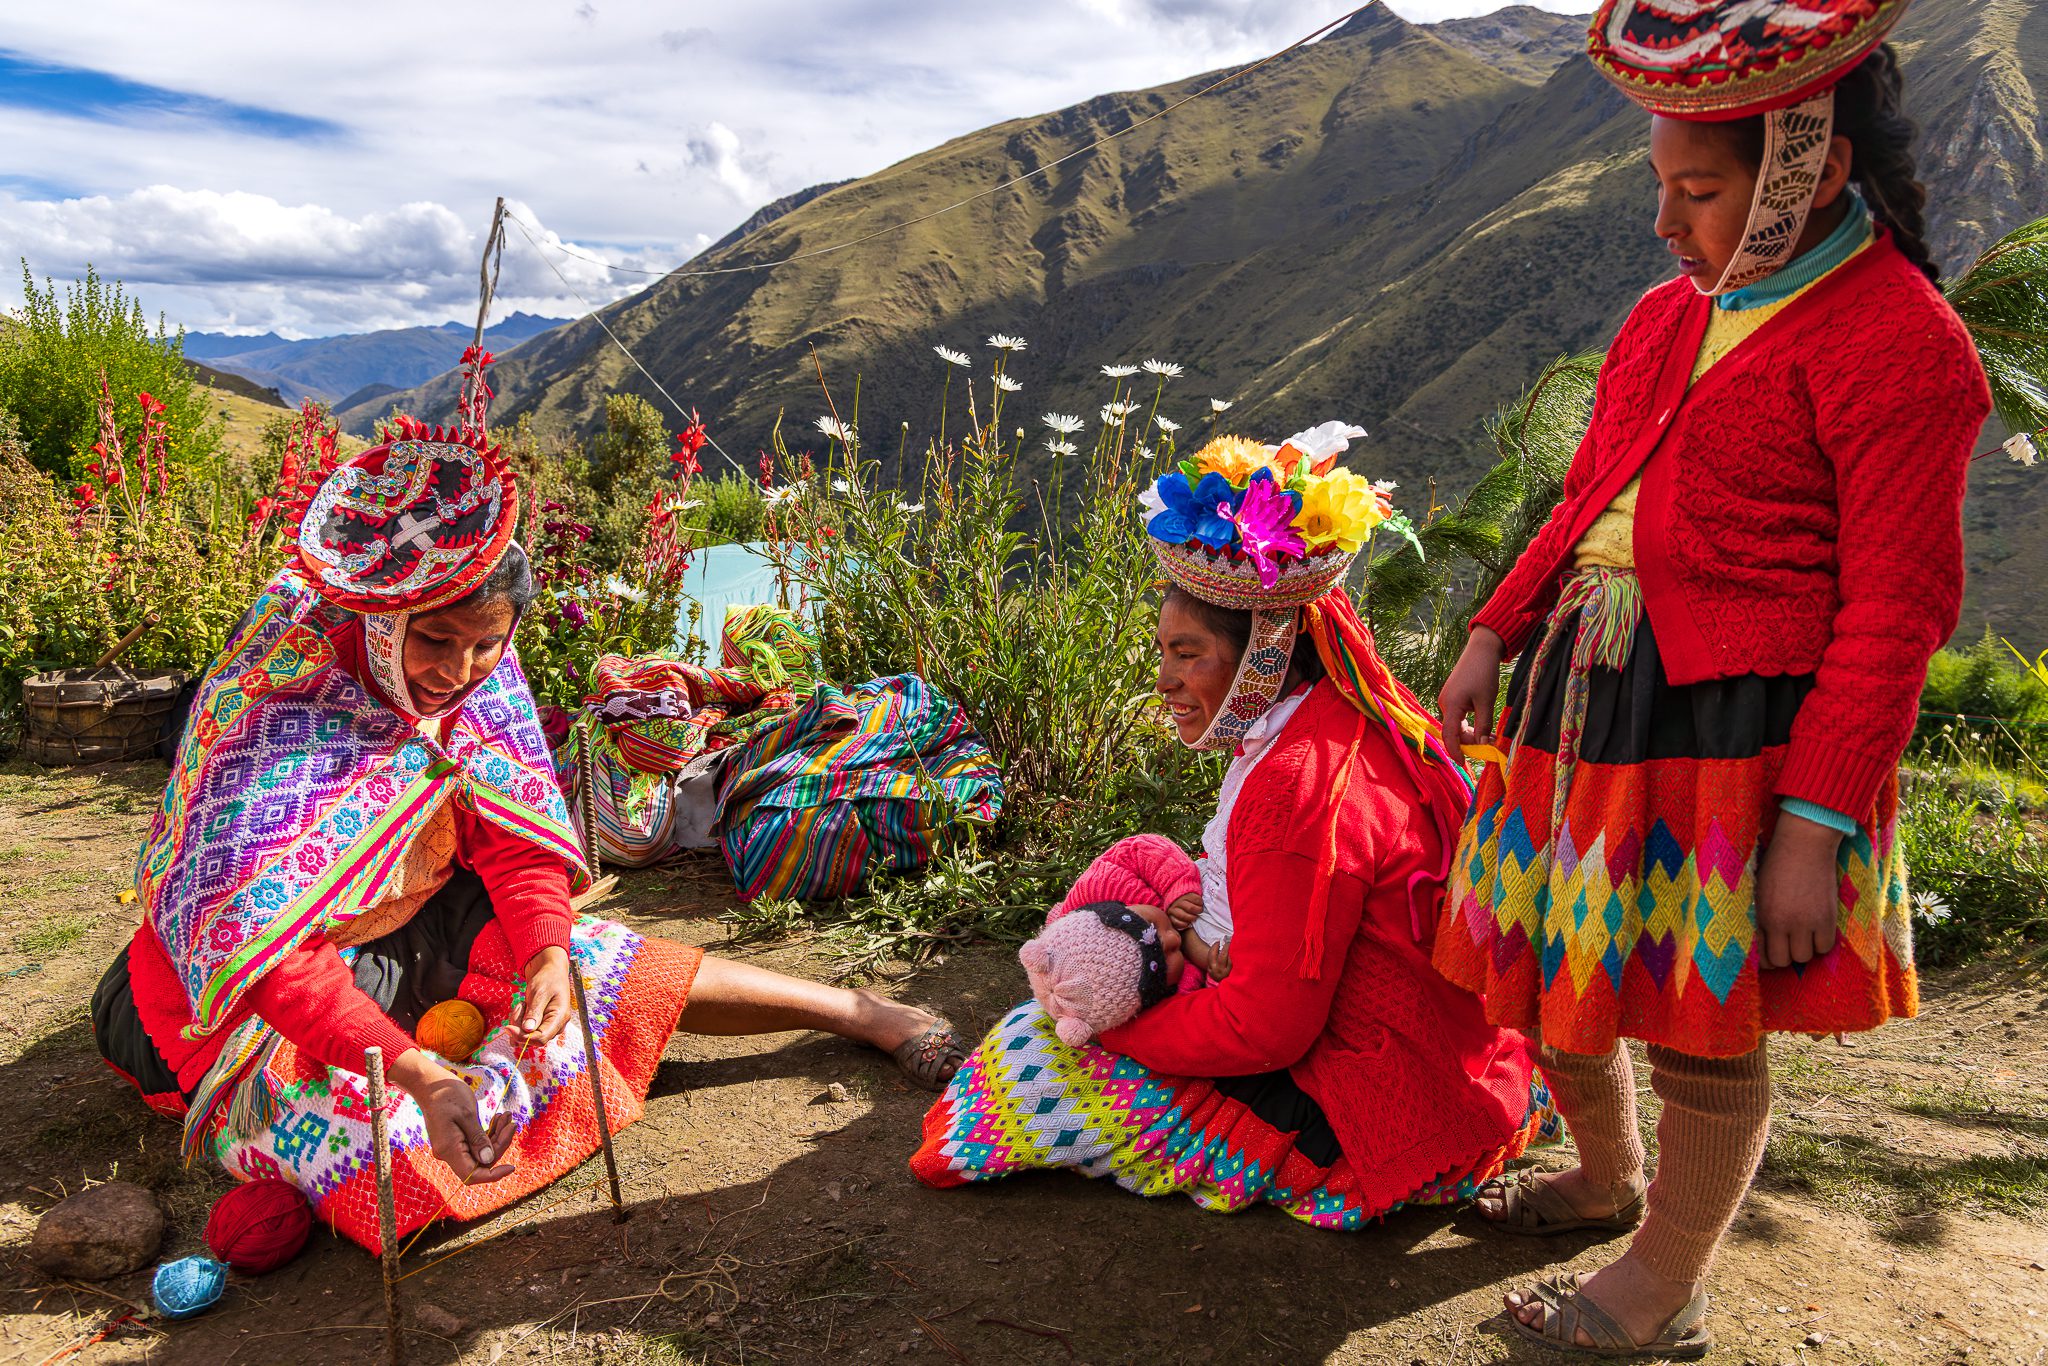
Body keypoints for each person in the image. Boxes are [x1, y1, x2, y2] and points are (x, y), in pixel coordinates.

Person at [1432, 2, 1990, 1356]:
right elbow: (1585, 496)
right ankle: (1606, 1174)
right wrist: (1496, 628)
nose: (1668, 227)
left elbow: (1896, 612)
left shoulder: (1902, 345)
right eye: (1660, 188)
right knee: (1550, 965)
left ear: (1812, 172)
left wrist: (1818, 823)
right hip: (1584, 694)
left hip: (1731, 725)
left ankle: (1665, 1278)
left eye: (1699, 192)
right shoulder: (1668, 317)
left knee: (1697, 1018)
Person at [92, 423, 963, 1253]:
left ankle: (867, 1015)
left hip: (418, 912)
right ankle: (423, 1083)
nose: (458, 673)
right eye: (435, 641)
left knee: (590, 967)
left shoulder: (477, 670)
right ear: (381, 622)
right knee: (390, 1164)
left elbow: (513, 837)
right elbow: (275, 954)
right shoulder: (281, 706)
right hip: (252, 986)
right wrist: (416, 1072)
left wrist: (546, 951)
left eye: (486, 646)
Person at [913, 429, 1553, 1227]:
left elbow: (1266, 1028)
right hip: (1427, 1037)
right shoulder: (1332, 719)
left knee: (1020, 1062)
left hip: (1363, 1090)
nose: (1165, 680)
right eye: (1164, 652)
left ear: (1264, 653)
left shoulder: (1295, 791)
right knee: (1135, 873)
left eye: (1188, 654)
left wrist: (1123, 1032)